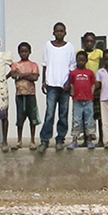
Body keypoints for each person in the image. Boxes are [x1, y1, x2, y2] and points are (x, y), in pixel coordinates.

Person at [39, 23, 76, 152]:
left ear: (65, 32)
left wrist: (69, 83)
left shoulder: (70, 47)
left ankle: (60, 139)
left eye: (61, 31)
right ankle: (44, 140)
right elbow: (45, 65)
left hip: (64, 86)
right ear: (53, 32)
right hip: (51, 85)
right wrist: (44, 82)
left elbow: (72, 67)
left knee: (63, 114)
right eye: (57, 31)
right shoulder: (48, 46)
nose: (59, 33)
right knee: (49, 114)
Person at [11, 42, 40, 150]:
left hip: (31, 95)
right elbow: (14, 75)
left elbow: (35, 77)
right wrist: (28, 75)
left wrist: (21, 75)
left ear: (30, 52)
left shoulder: (33, 65)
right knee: (20, 118)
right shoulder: (15, 65)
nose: (24, 53)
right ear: (19, 52)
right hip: (20, 95)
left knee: (32, 118)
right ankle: (19, 140)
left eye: (26, 51)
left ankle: (32, 140)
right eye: (22, 52)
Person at [66, 51, 97, 150]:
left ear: (86, 61)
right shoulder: (73, 73)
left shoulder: (90, 73)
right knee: (76, 121)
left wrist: (91, 95)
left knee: (89, 121)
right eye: (79, 60)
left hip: (88, 101)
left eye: (83, 60)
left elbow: (93, 85)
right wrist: (73, 94)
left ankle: (89, 140)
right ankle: (74, 140)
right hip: (77, 101)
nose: (81, 62)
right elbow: (72, 85)